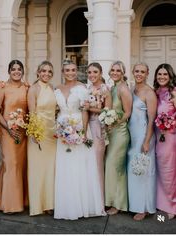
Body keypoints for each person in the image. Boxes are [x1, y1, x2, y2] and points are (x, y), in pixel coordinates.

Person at [54, 60, 106, 220]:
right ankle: (67, 205)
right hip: (62, 129)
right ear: (62, 72)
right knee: (65, 166)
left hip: (79, 128)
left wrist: (82, 132)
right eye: (67, 70)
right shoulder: (57, 88)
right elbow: (56, 109)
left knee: (80, 166)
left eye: (73, 70)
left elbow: (85, 111)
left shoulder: (82, 88)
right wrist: (58, 128)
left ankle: (84, 205)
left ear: (77, 71)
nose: (70, 72)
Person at [0, 60, 28, 213]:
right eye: (13, 69)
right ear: (9, 71)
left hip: (23, 132)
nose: (16, 71)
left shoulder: (27, 87)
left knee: (20, 165)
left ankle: (18, 199)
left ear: (23, 71)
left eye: (19, 69)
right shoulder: (2, 87)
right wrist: (9, 129)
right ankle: (10, 204)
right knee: (11, 164)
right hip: (7, 132)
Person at [127, 62, 157, 221]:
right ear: (133, 72)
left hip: (144, 136)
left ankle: (144, 207)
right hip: (132, 136)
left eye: (142, 71)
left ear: (147, 73)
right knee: (133, 170)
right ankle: (134, 204)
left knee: (143, 171)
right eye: (136, 71)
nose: (139, 74)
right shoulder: (132, 89)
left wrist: (146, 141)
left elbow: (152, 120)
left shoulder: (149, 92)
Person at [27, 61, 57, 216]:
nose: (46, 74)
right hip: (39, 133)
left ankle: (49, 203)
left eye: (49, 71)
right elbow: (32, 112)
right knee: (38, 168)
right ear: (38, 72)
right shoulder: (34, 89)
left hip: (52, 133)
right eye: (43, 71)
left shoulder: (52, 88)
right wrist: (33, 133)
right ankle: (38, 204)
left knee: (50, 168)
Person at [83, 62, 112, 213]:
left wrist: (90, 108)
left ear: (101, 73)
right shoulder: (88, 89)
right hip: (88, 127)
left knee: (98, 164)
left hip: (99, 128)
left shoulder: (105, 89)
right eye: (89, 72)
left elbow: (107, 111)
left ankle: (100, 202)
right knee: (89, 164)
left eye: (95, 72)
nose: (92, 75)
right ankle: (89, 199)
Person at [105, 61, 132, 215]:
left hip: (120, 133)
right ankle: (111, 200)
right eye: (113, 70)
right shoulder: (113, 88)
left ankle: (119, 204)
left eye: (118, 70)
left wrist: (114, 123)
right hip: (112, 132)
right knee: (110, 166)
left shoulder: (123, 89)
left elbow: (127, 112)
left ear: (123, 73)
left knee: (116, 167)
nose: (115, 72)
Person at [154, 63, 176, 220]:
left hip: (170, 136)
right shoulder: (156, 92)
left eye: (165, 75)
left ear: (170, 77)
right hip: (158, 136)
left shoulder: (174, 92)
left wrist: (171, 123)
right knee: (161, 169)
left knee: (169, 170)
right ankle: (161, 202)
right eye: (159, 74)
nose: (162, 77)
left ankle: (173, 205)